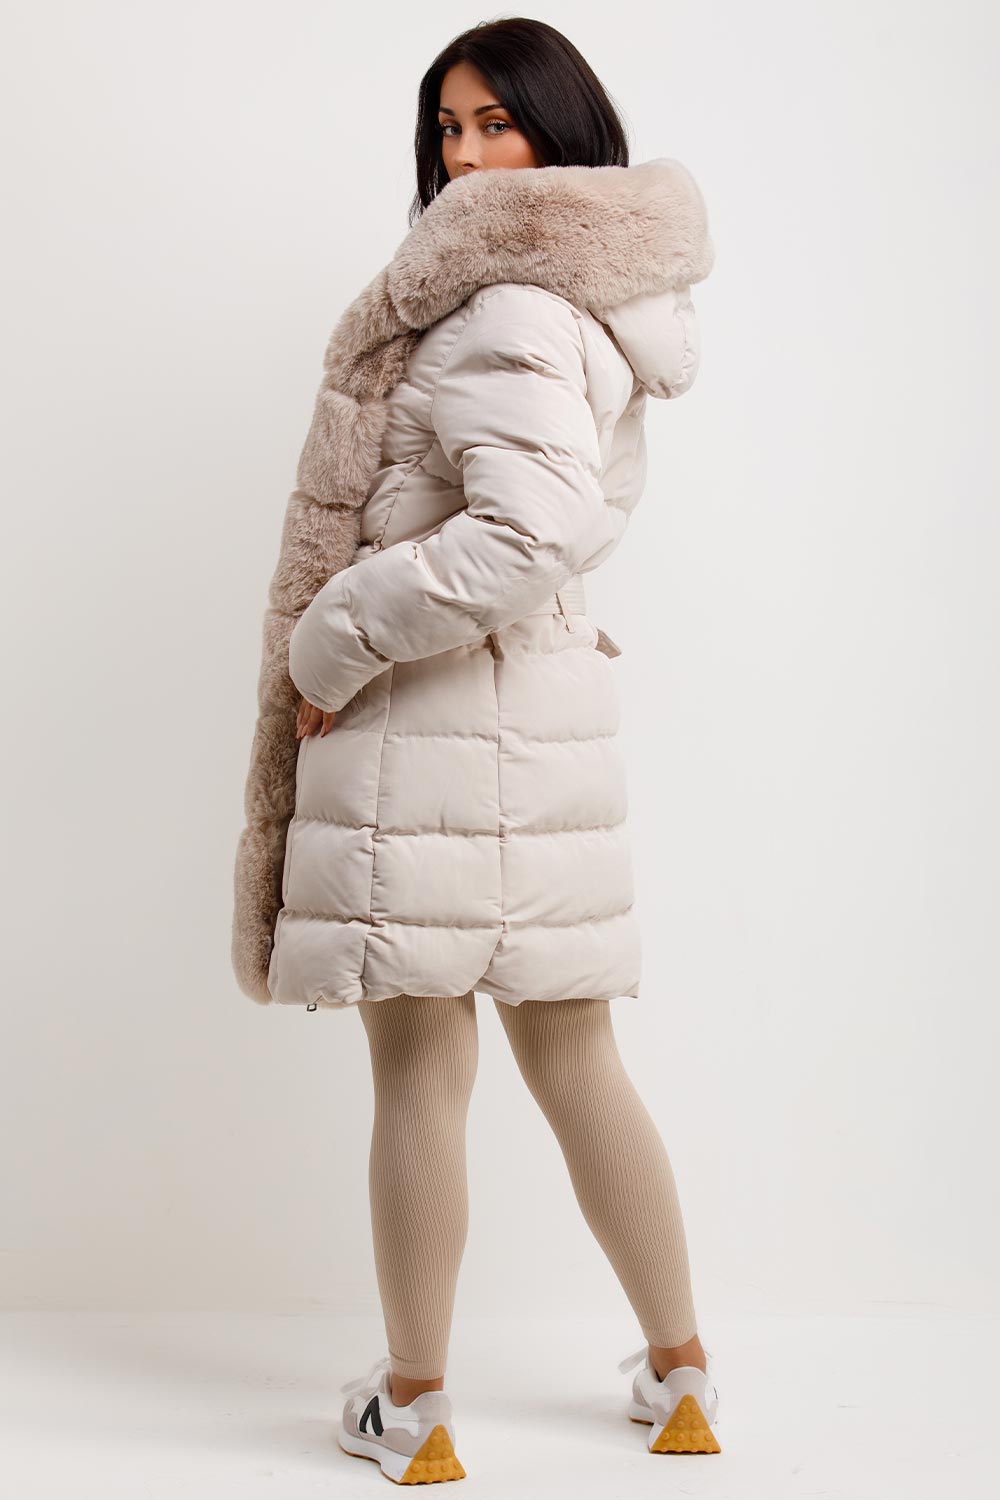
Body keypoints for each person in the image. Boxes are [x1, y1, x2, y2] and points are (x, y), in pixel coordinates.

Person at [232, 16, 718, 1485]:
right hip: (538, 730)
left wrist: (332, 638)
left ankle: (418, 1407)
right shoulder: (593, 302)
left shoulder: (500, 302)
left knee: (421, 1071)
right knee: (577, 1061)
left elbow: (526, 531)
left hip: (430, 733)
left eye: (498, 122)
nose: (465, 155)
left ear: (564, 134)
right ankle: (682, 1378)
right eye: (449, 127)